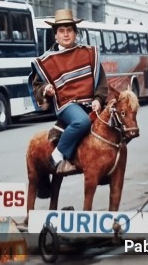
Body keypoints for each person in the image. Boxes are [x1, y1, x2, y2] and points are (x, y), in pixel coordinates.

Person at [29, 9, 108, 175]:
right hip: (66, 105)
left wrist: (98, 100)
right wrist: (46, 89)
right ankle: (57, 155)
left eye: (69, 30)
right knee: (82, 122)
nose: (66, 35)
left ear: (75, 33)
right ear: (55, 35)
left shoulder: (89, 53)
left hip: (90, 102)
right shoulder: (46, 60)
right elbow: (37, 86)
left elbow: (101, 81)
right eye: (61, 31)